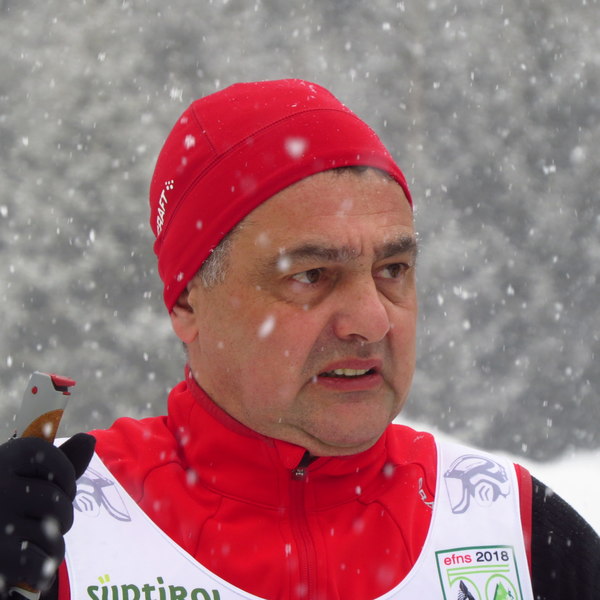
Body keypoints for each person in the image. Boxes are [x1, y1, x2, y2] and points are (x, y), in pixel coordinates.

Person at [1, 79, 598, 600]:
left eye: (392, 269)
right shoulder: (53, 525)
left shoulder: (511, 527)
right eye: (311, 276)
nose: (372, 320)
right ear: (187, 302)